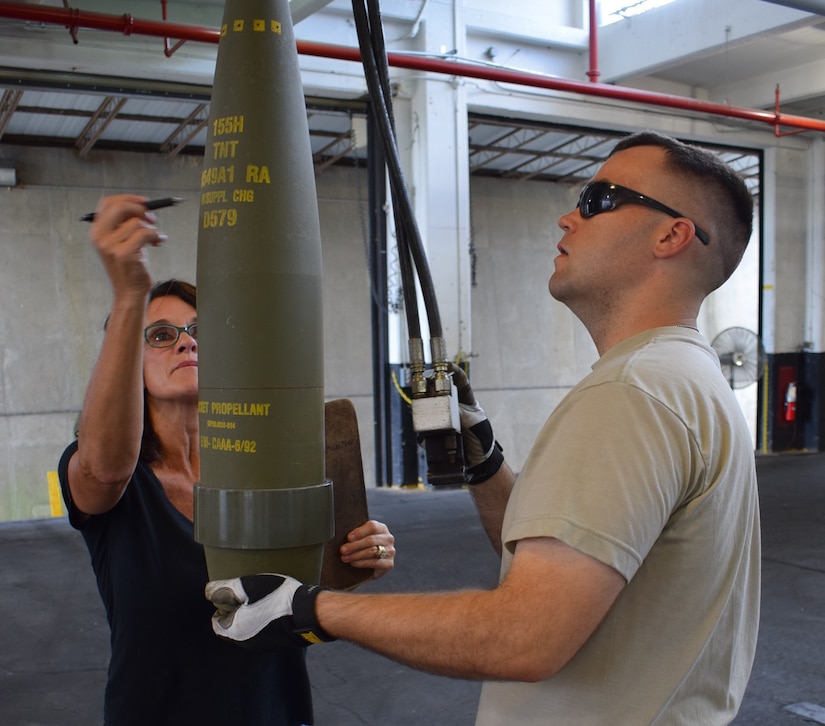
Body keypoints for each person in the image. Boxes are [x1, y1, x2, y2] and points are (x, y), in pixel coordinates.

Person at [206, 131, 761, 725]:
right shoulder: (688, 379)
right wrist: (486, 464)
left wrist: (308, 608)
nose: (568, 216)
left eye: (598, 199)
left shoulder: (632, 393)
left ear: (671, 234)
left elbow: (524, 635)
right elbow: (559, 571)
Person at [58, 194, 396, 726]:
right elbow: (104, 470)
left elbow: (309, 593)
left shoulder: (270, 469)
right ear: (127, 357)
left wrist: (361, 555)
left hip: (278, 712)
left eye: (199, 332)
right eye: (162, 336)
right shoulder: (119, 480)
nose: (186, 346)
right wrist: (130, 296)